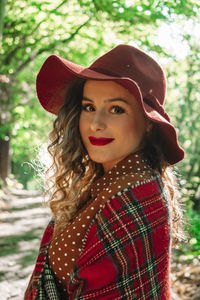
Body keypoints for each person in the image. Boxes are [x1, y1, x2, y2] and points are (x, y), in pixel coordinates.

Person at [24, 44, 185, 299]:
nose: (96, 124)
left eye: (116, 109)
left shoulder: (136, 193)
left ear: (147, 123)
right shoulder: (106, 183)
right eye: (89, 107)